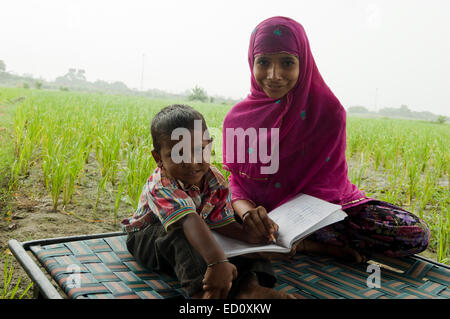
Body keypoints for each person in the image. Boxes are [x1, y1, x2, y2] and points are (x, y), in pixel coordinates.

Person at [222, 16, 430, 263]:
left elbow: (326, 185)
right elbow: (236, 181)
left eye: (287, 62)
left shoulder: (328, 112)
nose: (274, 75)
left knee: (413, 233)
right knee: (195, 213)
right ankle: (300, 244)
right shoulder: (237, 118)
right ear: (251, 62)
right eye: (263, 62)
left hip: (315, 214)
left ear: (304, 63)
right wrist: (247, 215)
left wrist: (291, 223)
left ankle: (297, 241)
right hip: (256, 213)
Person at [121, 104, 294, 299]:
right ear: (158, 158)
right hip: (149, 238)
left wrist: (250, 236)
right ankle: (204, 292)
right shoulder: (160, 184)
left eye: (199, 149)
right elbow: (188, 220)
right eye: (179, 153)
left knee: (242, 227)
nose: (193, 162)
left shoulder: (214, 179)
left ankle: (248, 287)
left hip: (197, 232)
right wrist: (217, 262)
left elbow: (221, 221)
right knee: (180, 234)